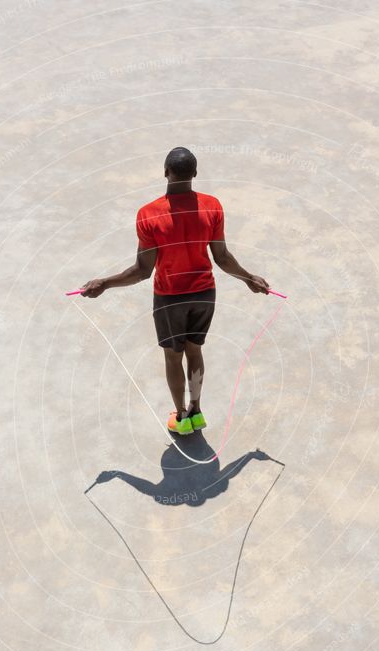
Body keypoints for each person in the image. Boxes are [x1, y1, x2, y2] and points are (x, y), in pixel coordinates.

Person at [80, 146, 270, 435]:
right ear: (194, 173)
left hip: (170, 298)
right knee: (195, 351)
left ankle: (180, 417)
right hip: (204, 294)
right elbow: (222, 257)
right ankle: (196, 410)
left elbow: (142, 270)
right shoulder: (212, 206)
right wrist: (248, 278)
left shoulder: (148, 214)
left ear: (165, 172)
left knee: (173, 357)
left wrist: (104, 283)